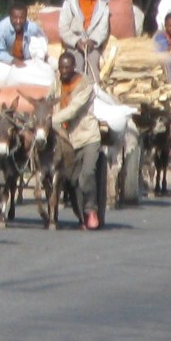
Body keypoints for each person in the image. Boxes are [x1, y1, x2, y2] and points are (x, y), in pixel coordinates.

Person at [50, 50, 104, 230]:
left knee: (87, 174)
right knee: (71, 180)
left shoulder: (85, 84)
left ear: (74, 67)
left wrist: (48, 121)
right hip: (67, 139)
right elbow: (50, 100)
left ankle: (91, 210)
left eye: (67, 67)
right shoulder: (56, 82)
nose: (64, 71)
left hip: (87, 136)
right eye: (61, 67)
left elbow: (73, 110)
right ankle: (79, 214)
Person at [58, 0, 111, 79]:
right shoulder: (70, 2)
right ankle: (75, 92)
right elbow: (63, 27)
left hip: (92, 46)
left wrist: (92, 41)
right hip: (74, 46)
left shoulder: (103, 4)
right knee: (75, 63)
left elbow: (103, 29)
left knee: (93, 66)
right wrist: (76, 42)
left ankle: (93, 92)